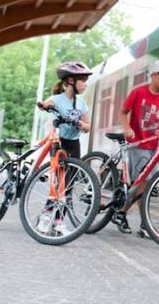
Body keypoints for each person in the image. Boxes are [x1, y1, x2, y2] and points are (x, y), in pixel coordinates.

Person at [113, 59, 159, 236]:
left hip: (154, 146)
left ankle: (122, 213)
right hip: (138, 144)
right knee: (143, 185)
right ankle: (142, 223)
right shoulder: (138, 92)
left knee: (145, 185)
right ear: (154, 75)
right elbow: (122, 112)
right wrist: (127, 128)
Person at [37, 61, 92, 234]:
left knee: (68, 185)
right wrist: (46, 105)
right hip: (59, 143)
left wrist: (83, 124)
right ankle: (46, 216)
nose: (85, 83)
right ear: (70, 80)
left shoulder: (82, 103)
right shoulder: (57, 99)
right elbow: (46, 104)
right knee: (58, 183)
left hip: (74, 145)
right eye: (82, 80)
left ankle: (59, 221)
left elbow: (88, 125)